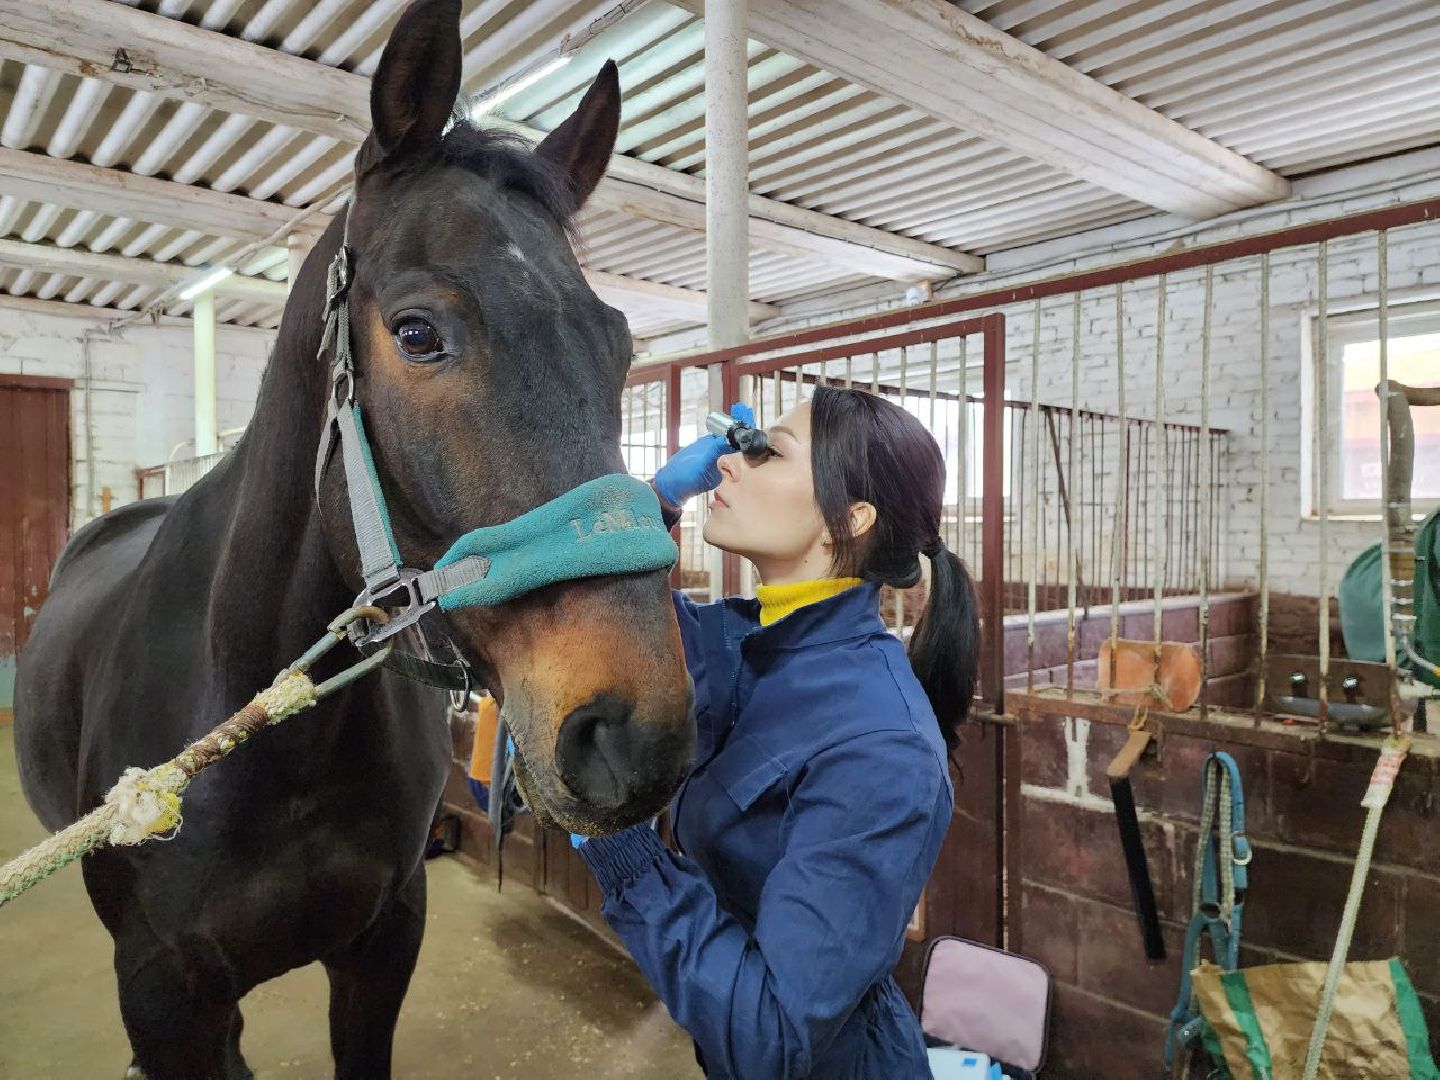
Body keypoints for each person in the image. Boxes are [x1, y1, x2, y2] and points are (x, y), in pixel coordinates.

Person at [575, 386, 980, 1079]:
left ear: (846, 521)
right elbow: (592, 615)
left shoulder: (884, 746)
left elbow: (774, 1037)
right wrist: (656, 504)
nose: (730, 464)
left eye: (767, 454)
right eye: (743, 447)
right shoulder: (748, 642)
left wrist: (622, 849)